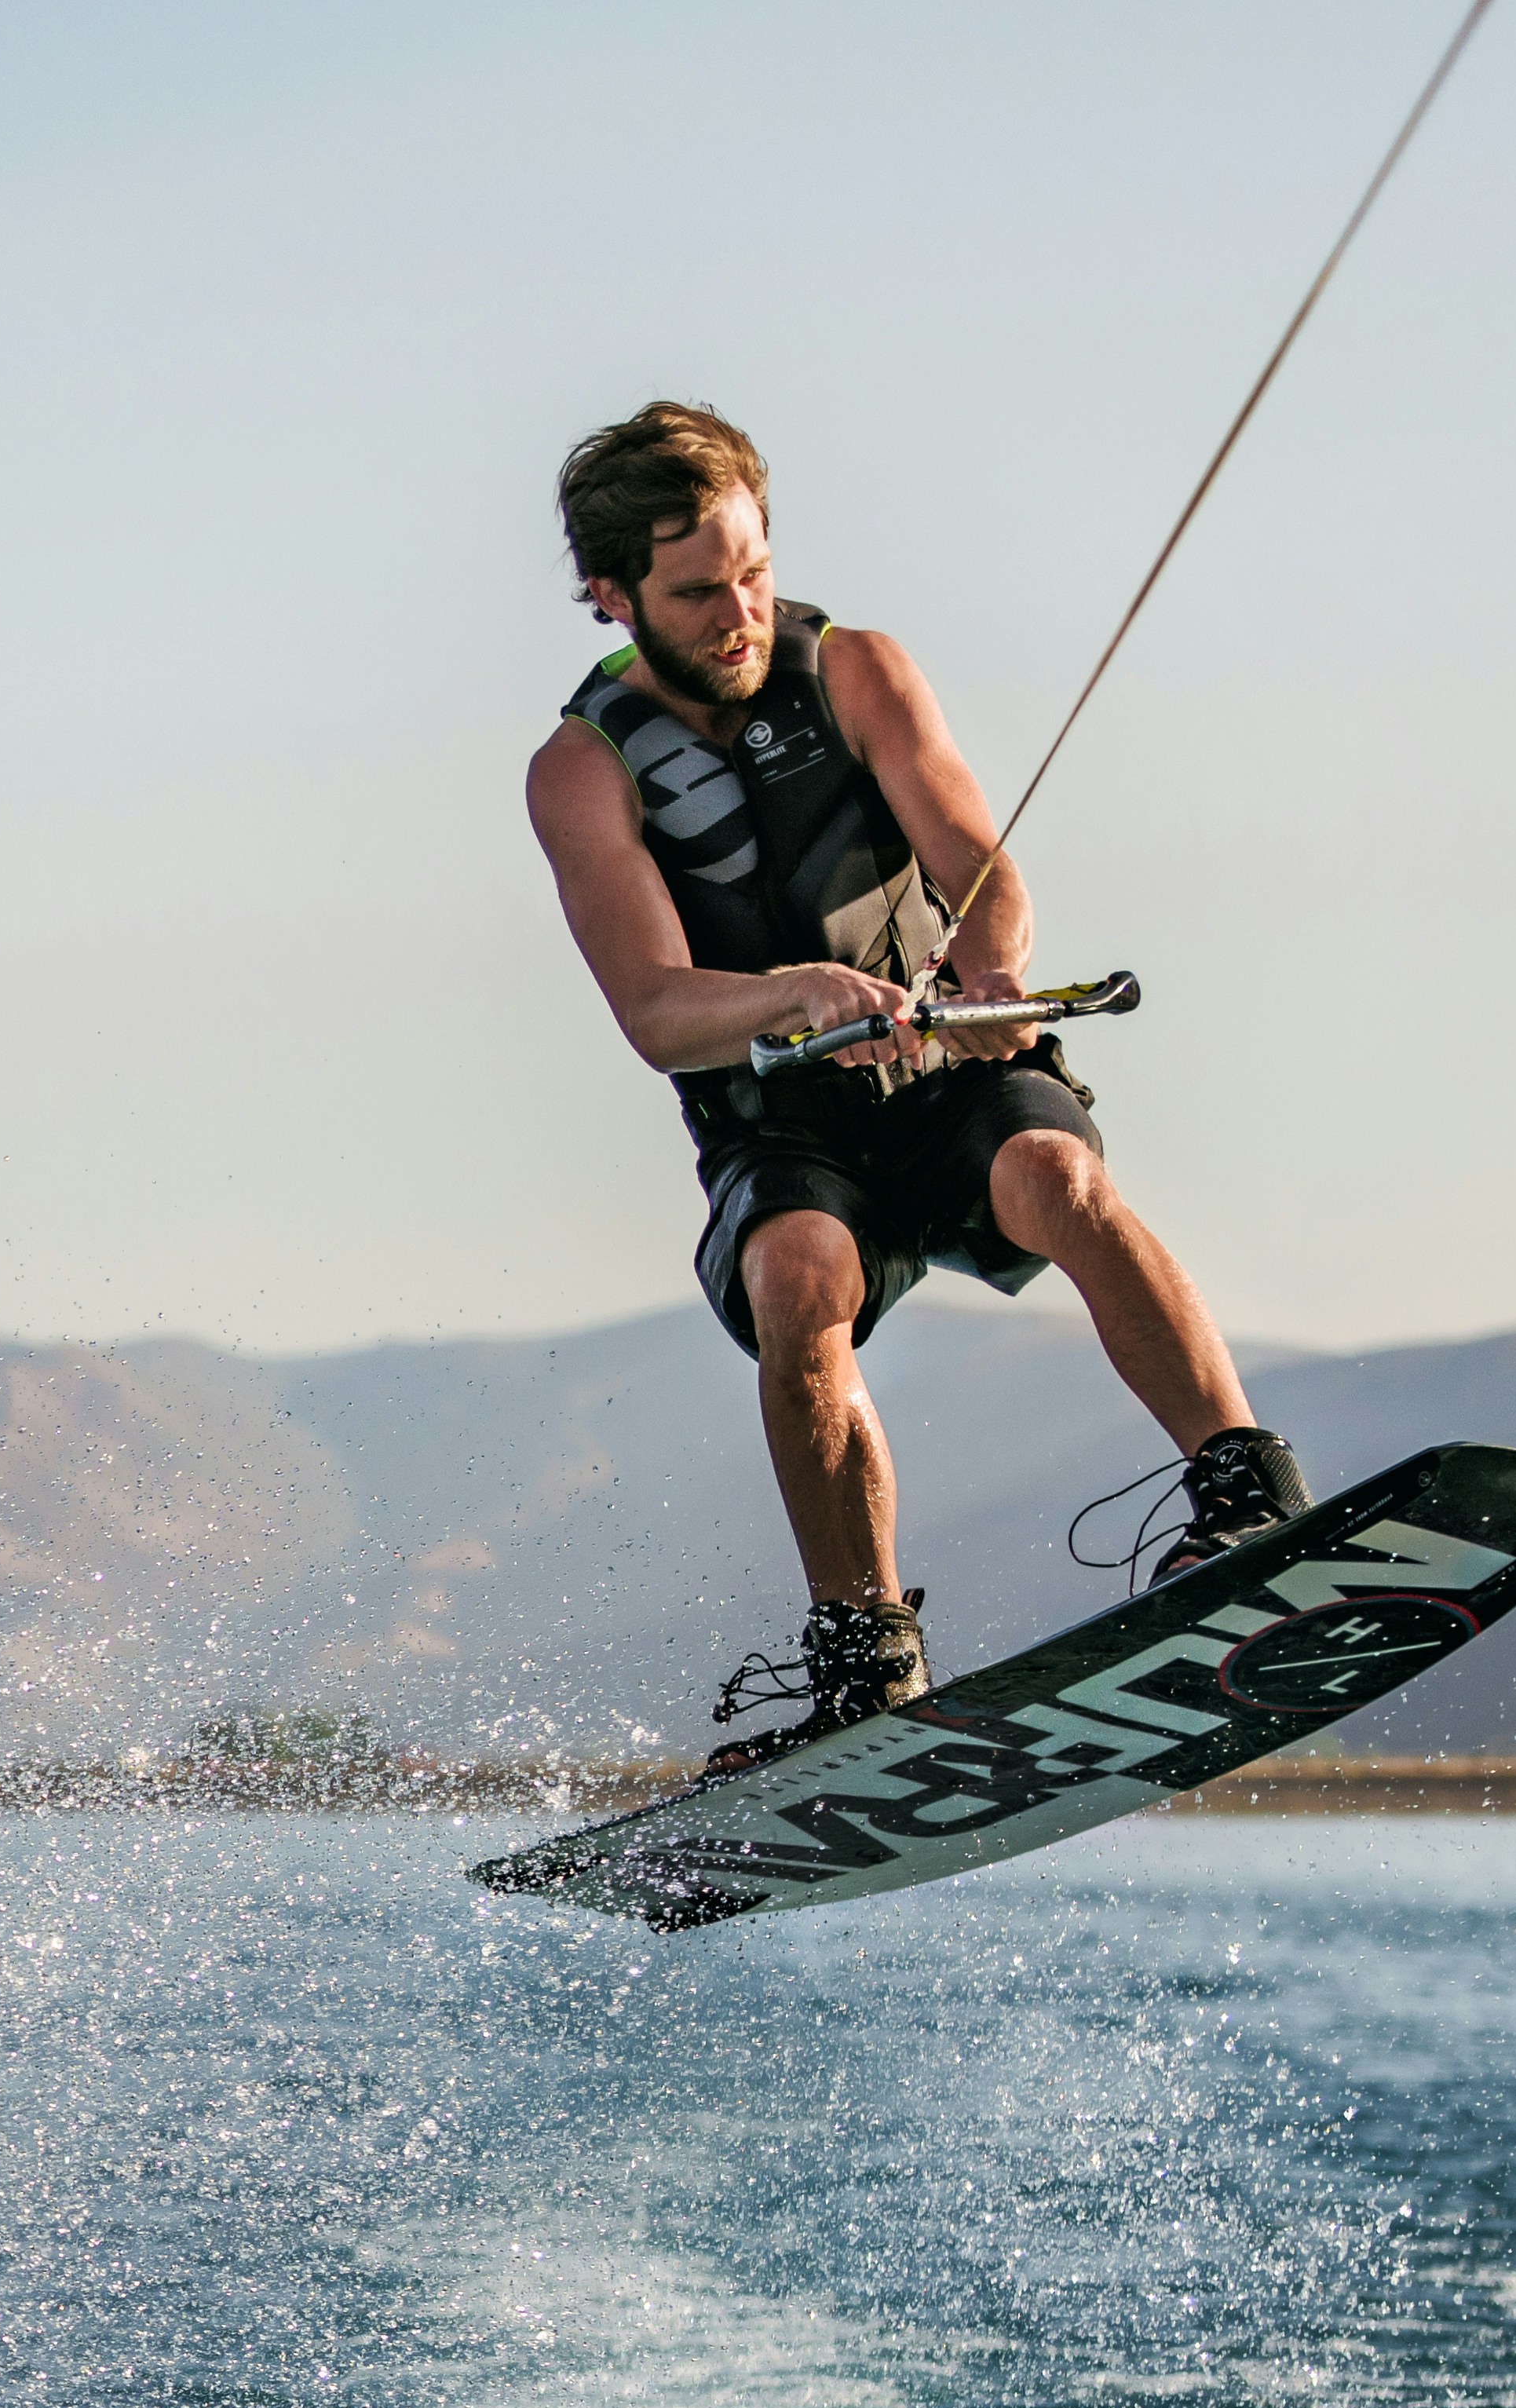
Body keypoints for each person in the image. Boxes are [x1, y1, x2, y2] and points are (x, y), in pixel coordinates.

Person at [525, 400, 1308, 1773]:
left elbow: (981, 867)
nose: (739, 612)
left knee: (1056, 1178)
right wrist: (795, 995)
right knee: (797, 1282)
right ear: (611, 594)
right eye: (699, 591)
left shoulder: (860, 674)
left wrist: (989, 975)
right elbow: (655, 1010)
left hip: (950, 1069)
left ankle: (1244, 1485)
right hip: (781, 1119)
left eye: (753, 572)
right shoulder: (580, 774)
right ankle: (866, 1654)